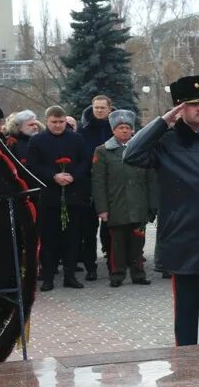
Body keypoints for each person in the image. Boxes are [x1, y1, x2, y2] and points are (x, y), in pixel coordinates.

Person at [123, 75, 199, 346]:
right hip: (183, 243)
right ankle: (187, 379)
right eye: (192, 104)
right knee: (186, 319)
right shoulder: (166, 143)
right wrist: (161, 123)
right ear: (179, 109)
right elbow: (130, 154)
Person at [27, 105, 91, 291]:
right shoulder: (37, 140)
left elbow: (84, 162)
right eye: (54, 122)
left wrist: (73, 176)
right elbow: (33, 165)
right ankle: (48, 277)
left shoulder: (77, 139)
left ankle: (70, 276)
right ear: (47, 121)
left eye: (61, 122)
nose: (58, 125)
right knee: (49, 239)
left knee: (72, 238)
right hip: (49, 195)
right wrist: (53, 176)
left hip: (73, 194)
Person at [92, 110, 158, 287]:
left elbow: (151, 180)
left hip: (139, 205)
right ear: (113, 130)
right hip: (116, 205)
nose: (124, 131)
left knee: (138, 242)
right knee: (117, 244)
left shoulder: (142, 150)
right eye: (120, 128)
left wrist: (153, 205)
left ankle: (138, 273)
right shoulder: (103, 151)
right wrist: (102, 209)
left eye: (127, 128)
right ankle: (117, 274)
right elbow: (98, 183)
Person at [78, 94, 115, 281]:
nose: (99, 110)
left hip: (111, 185)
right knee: (88, 229)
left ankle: (112, 264)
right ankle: (90, 266)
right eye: (96, 107)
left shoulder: (116, 128)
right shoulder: (83, 130)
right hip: (88, 184)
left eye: (102, 107)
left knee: (110, 228)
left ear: (110, 108)